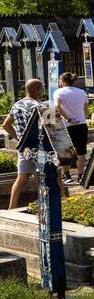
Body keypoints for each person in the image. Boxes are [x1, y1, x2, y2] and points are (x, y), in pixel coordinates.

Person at [3, 78, 43, 208]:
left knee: (21, 178)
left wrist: (18, 138)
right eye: (41, 88)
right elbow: (50, 127)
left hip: (23, 146)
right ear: (37, 90)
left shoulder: (17, 105)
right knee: (43, 175)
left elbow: (6, 125)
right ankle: (44, 204)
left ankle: (11, 207)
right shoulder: (40, 106)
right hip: (38, 145)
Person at [53, 72, 89, 180]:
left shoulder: (58, 92)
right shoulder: (81, 92)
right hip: (81, 124)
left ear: (62, 81)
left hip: (67, 124)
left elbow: (58, 106)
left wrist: (69, 118)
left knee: (65, 150)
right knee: (81, 151)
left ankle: (67, 174)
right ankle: (80, 175)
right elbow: (86, 109)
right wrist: (81, 118)